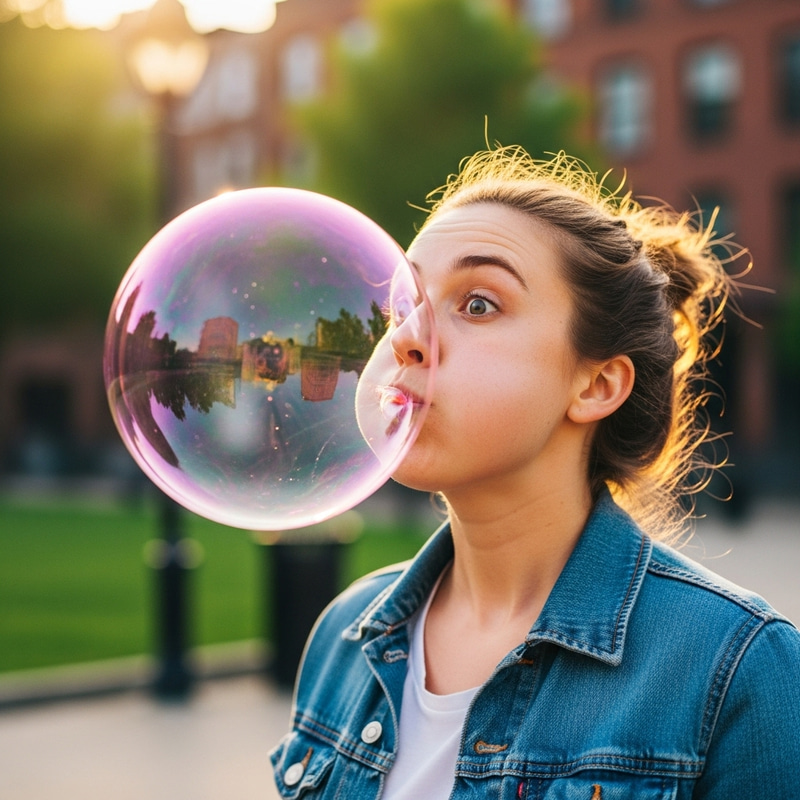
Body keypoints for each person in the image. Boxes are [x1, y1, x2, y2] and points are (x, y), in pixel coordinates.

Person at [270, 147, 800, 798]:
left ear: (597, 383)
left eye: (479, 304)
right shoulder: (343, 637)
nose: (409, 335)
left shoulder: (740, 668)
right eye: (403, 303)